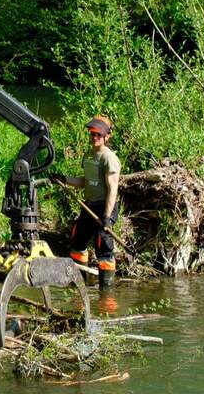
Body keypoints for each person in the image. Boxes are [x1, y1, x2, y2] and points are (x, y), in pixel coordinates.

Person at [55, 115, 121, 288]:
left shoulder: (109, 158)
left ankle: (106, 293)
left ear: (107, 137)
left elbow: (113, 189)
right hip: (89, 206)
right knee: (77, 240)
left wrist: (107, 217)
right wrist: (64, 179)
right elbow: (84, 181)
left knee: (102, 243)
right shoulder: (89, 155)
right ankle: (79, 286)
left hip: (104, 207)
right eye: (92, 134)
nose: (94, 137)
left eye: (99, 134)